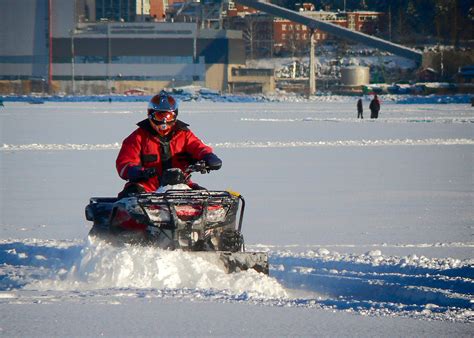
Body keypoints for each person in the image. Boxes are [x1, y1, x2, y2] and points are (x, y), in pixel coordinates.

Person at [116, 90, 222, 198]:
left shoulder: (184, 134)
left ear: (175, 115)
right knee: (130, 199)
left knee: (205, 198)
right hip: (147, 187)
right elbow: (125, 163)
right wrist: (137, 172)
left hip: (180, 186)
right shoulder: (138, 137)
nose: (164, 122)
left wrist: (209, 157)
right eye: (159, 116)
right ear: (151, 115)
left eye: (168, 117)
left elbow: (197, 146)